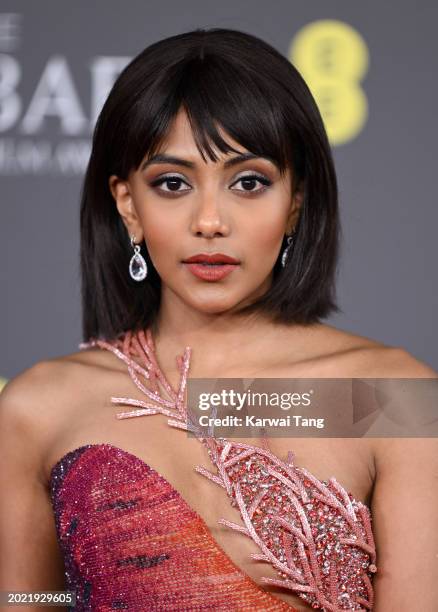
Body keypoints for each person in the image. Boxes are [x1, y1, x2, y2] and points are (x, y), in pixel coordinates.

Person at [0, 27, 437, 612]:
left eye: (249, 182)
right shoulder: (37, 409)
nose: (210, 221)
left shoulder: (392, 397)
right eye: (173, 183)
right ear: (128, 204)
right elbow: (33, 599)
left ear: (296, 203)